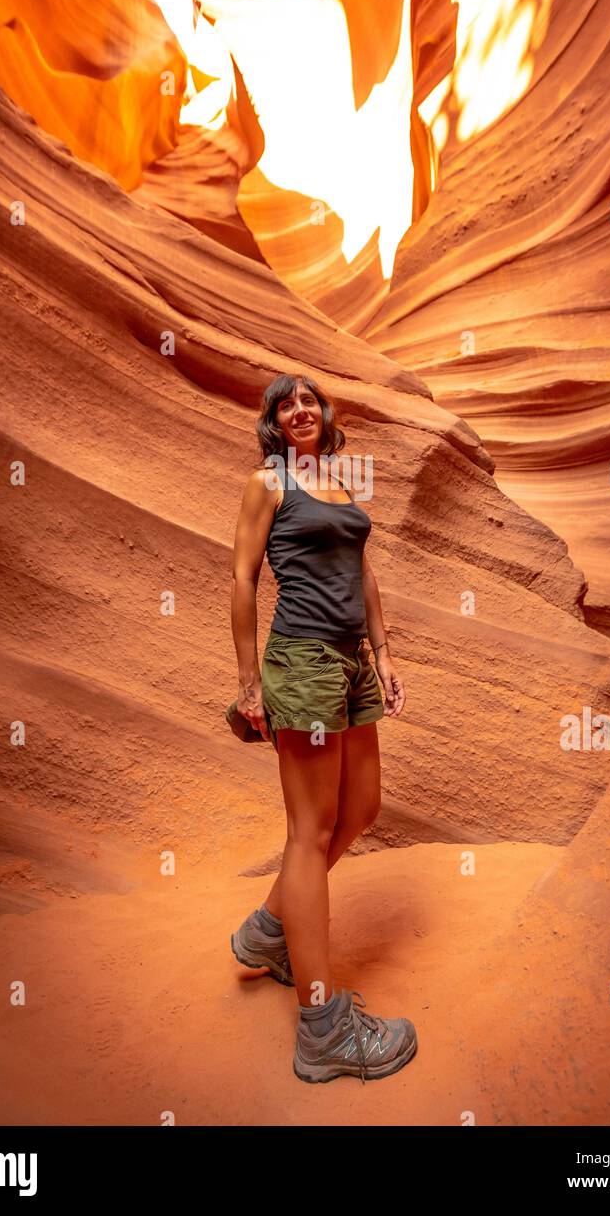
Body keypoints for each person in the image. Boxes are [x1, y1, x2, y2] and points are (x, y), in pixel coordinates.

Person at [229, 372, 417, 1083]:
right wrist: (250, 681)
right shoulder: (268, 484)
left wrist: (384, 651)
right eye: (287, 403)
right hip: (302, 661)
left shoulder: (338, 482)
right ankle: (323, 1031)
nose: (301, 408)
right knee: (309, 831)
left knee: (360, 809)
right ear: (275, 422)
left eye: (310, 400)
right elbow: (243, 577)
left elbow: (363, 571)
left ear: (325, 415)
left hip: (349, 663)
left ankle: (270, 932)